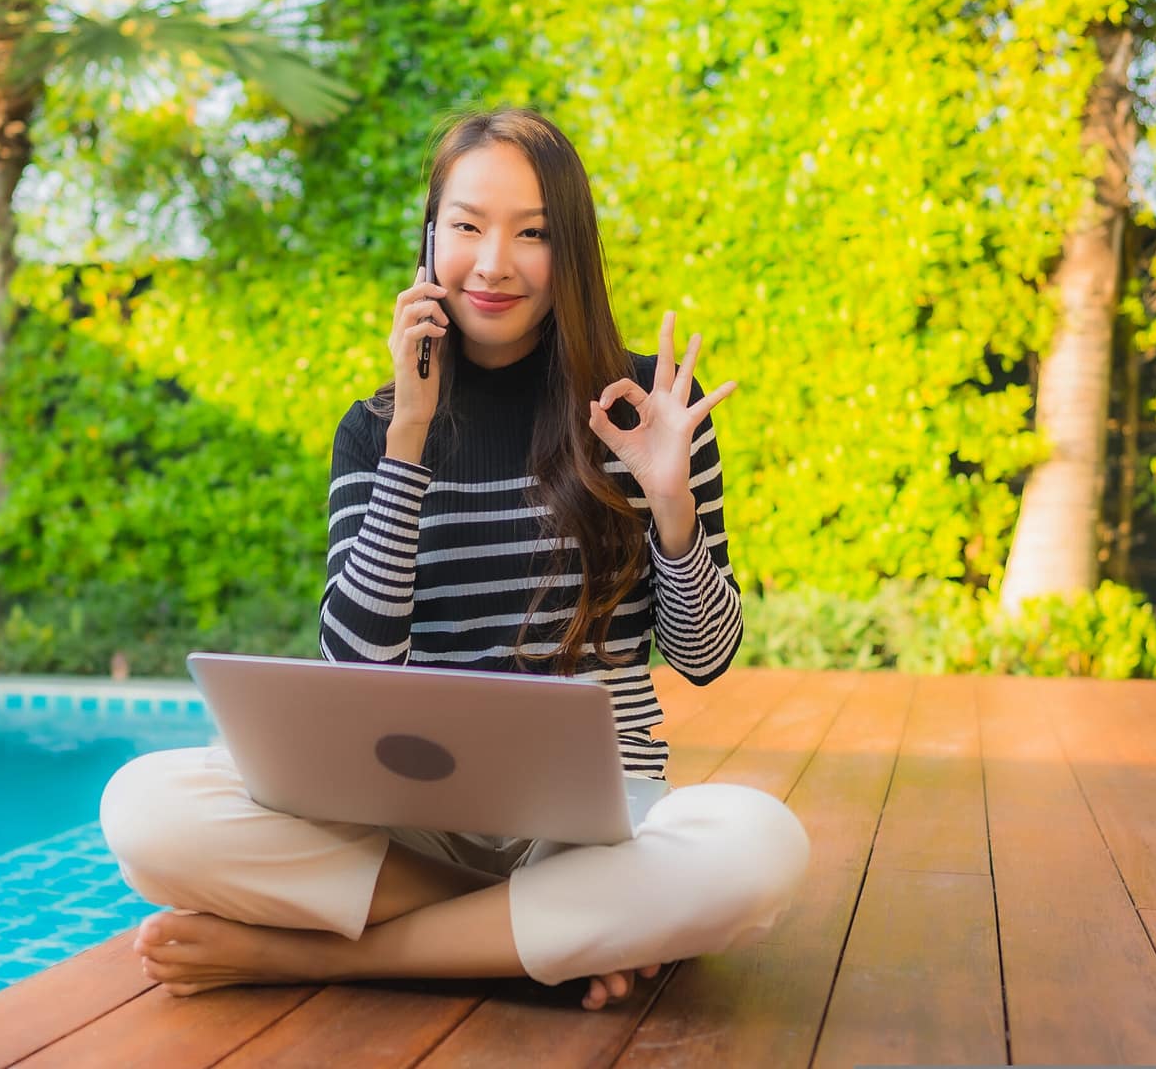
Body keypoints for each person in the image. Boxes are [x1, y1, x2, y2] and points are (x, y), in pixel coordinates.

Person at [98, 108, 810, 1012]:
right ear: (430, 238)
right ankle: (527, 934)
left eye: (532, 233)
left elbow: (703, 659)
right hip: (413, 824)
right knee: (144, 807)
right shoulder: (374, 428)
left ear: (571, 249)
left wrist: (669, 501)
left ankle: (336, 959)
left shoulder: (645, 407)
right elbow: (358, 670)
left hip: (593, 829)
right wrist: (409, 435)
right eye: (467, 226)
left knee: (758, 846)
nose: (493, 263)